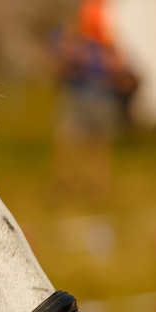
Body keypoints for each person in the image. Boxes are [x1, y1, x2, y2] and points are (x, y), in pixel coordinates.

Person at [50, 0, 138, 204]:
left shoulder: (111, 35)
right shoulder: (73, 32)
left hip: (102, 93)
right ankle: (64, 183)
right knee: (68, 140)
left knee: (98, 145)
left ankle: (96, 188)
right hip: (78, 91)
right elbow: (60, 55)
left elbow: (121, 67)